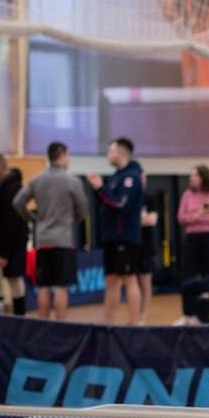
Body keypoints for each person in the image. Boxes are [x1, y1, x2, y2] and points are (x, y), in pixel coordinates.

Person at [13, 141, 88, 320]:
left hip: (43, 239)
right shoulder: (72, 181)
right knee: (61, 286)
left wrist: (33, 219)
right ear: (62, 155)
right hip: (63, 239)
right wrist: (72, 220)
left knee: (44, 286)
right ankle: (61, 325)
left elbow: (18, 202)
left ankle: (44, 325)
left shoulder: (37, 180)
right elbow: (83, 209)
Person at [86, 136, 144, 325]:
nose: (108, 154)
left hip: (125, 236)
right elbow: (107, 201)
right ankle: (108, 322)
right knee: (111, 280)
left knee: (129, 279)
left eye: (111, 151)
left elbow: (120, 204)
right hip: (111, 236)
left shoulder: (131, 178)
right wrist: (98, 189)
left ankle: (133, 323)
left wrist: (101, 188)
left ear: (120, 153)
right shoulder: (115, 177)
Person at [0, 153, 29, 315]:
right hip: (13, 240)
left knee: (15, 278)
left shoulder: (10, 189)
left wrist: (4, 252)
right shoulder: (5, 186)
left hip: (13, 242)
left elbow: (9, 222)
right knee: (13, 278)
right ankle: (18, 313)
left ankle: (20, 313)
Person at [176, 164, 209, 287]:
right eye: (191, 176)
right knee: (189, 270)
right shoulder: (187, 194)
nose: (191, 178)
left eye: (195, 175)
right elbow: (181, 218)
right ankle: (191, 297)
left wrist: (196, 217)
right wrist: (199, 215)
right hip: (192, 237)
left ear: (203, 177)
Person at [135, 173, 159, 326]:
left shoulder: (149, 198)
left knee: (145, 283)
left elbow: (151, 221)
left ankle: (142, 317)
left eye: (144, 178)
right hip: (131, 245)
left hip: (146, 246)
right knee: (133, 283)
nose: (142, 181)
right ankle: (134, 313)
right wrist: (141, 218)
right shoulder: (129, 198)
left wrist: (139, 219)